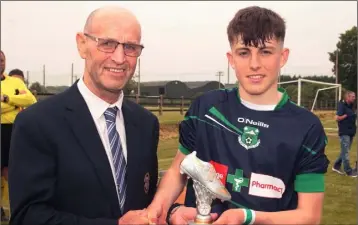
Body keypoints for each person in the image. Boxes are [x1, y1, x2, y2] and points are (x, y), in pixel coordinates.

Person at [147, 6, 330, 225]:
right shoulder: (205, 108)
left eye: (265, 51)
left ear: (282, 57)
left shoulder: (306, 127)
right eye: (244, 52)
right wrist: (159, 207)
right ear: (231, 58)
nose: (254, 64)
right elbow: (180, 168)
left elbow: (309, 216)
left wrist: (248, 217)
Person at [8, 6, 159, 225]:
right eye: (107, 44)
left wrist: (172, 211)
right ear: (82, 44)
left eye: (130, 47)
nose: (119, 58)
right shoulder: (37, 123)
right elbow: (27, 216)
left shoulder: (146, 123)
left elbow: (145, 200)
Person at [0, 50, 37, 222]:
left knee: (10, 170)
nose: (1, 62)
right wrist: (14, 104)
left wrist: (6, 99)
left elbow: (30, 100)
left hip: (10, 130)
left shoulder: (14, 81)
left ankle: (12, 208)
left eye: (2, 60)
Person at [332, 91, 357, 177]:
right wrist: (346, 115)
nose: (354, 98)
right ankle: (348, 171)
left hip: (351, 132)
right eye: (353, 96)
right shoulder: (342, 106)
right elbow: (337, 118)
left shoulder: (352, 106)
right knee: (345, 152)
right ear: (347, 97)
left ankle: (336, 166)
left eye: (354, 96)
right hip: (344, 132)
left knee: (345, 151)